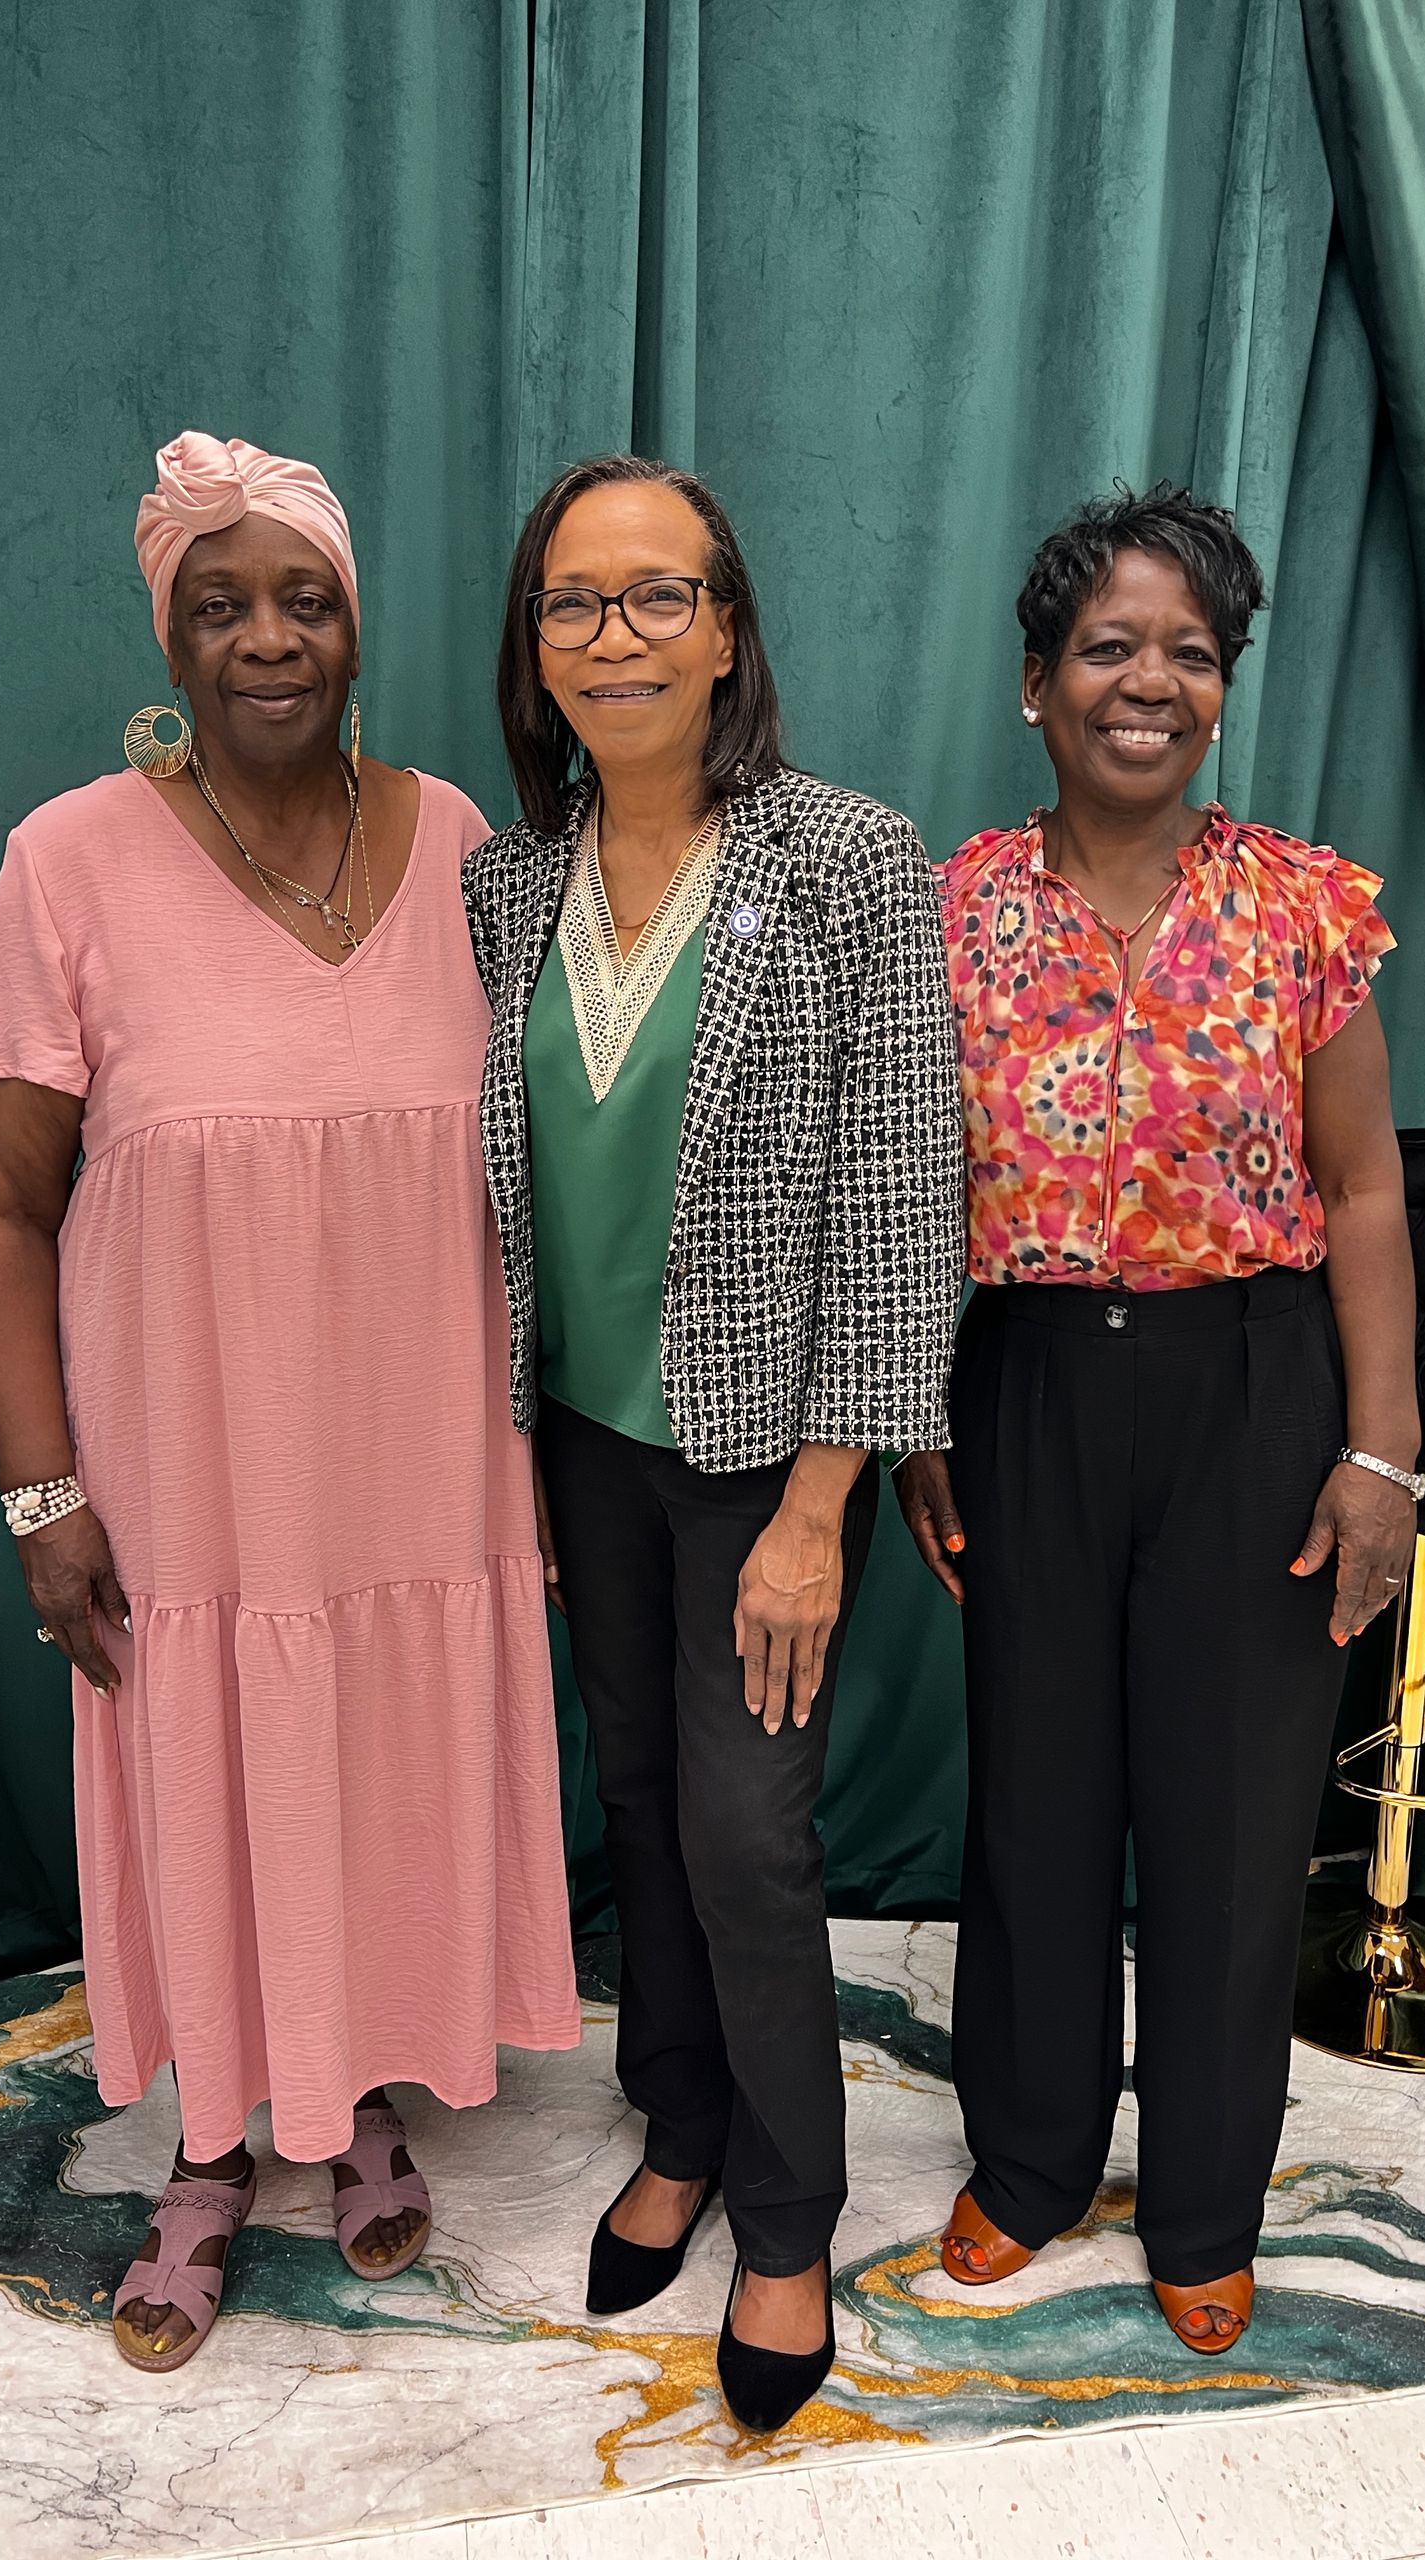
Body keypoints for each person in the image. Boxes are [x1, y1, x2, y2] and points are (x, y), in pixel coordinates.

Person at [0, 431, 578, 2373]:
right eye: (219, 605)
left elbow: (538, 1143)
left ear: (358, 620)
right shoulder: (68, 860)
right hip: (196, 1467)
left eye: (303, 596)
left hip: (415, 1450)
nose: (268, 637)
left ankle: (369, 2089)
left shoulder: (465, 836)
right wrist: (42, 1491)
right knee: (217, 1760)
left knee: (379, 1757)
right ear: (170, 632)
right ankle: (216, 2150)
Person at [463, 453, 965, 2430]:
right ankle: (671, 2121)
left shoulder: (843, 855)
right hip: (583, 1436)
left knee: (752, 1838)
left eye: (657, 594)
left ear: (729, 624)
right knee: (644, 1802)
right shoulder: (509, 879)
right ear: (536, 646)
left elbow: (905, 1199)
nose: (616, 634)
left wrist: (826, 1496)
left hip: (766, 1455)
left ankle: (784, 2210)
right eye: (575, 601)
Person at [895, 483, 1420, 2355]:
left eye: (1189, 652)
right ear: (1036, 686)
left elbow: (1364, 1193)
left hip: (1254, 1390)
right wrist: (907, 1412)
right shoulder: (948, 914)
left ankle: (1204, 2197)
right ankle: (1033, 2164)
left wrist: (1380, 1454)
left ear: (1223, 689)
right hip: (1021, 1384)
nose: (1151, 681)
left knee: (1226, 1813)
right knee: (1039, 1799)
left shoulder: (1307, 908)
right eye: (1109, 647)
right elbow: (896, 1195)